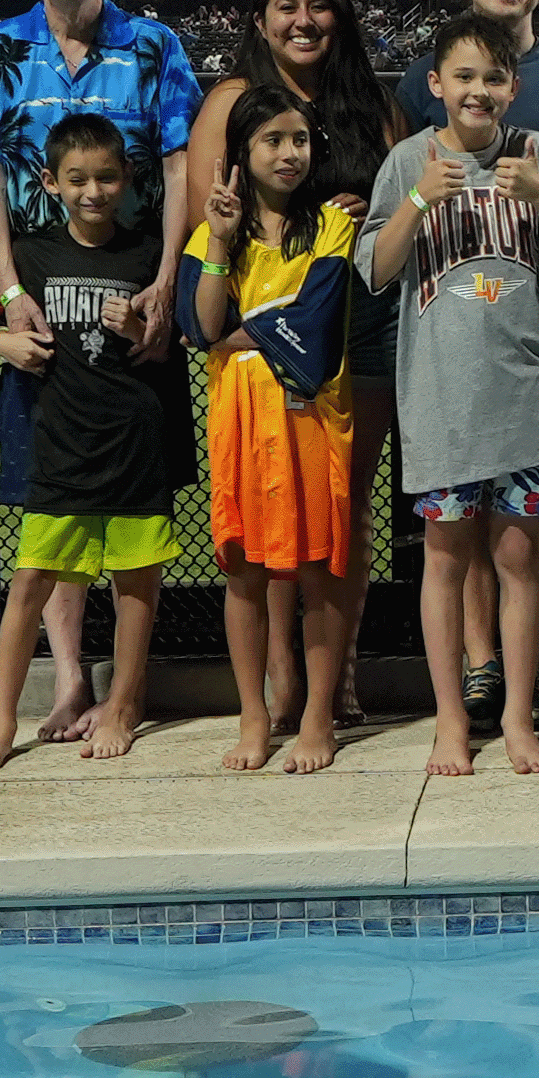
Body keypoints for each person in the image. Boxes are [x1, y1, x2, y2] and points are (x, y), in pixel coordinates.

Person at [0, 0, 200, 743]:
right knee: (47, 494)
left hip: (131, 290)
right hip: (40, 290)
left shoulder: (154, 44)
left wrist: (166, 281)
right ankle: (68, 680)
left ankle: (119, 689)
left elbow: (177, 160)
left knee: (127, 487)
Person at [358, 12, 539, 778]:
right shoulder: (409, 161)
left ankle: (519, 718)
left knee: (521, 557)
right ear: (435, 85)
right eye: (462, 76)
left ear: (513, 87)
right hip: (442, 406)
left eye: (492, 77)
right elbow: (375, 268)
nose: (478, 89)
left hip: (527, 400)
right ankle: (448, 722)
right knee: (444, 558)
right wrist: (417, 202)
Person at [396, 0, 539, 734]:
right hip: (451, 333)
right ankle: (481, 665)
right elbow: (403, 209)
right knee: (461, 534)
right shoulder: (423, 82)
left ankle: (524, 673)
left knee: (531, 528)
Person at [185, 0, 402, 729]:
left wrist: (360, 210)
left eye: (318, 5)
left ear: (339, 17)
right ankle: (279, 669)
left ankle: (334, 670)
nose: (303, 19)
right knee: (269, 511)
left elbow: (396, 208)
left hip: (360, 326)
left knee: (341, 504)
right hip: (256, 330)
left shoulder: (371, 102)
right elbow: (204, 225)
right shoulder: (232, 103)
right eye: (285, 5)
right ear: (260, 20)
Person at [0, 115, 192, 774]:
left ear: (129, 179)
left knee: (137, 585)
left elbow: (173, 341)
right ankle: (3, 724)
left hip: (133, 444)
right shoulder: (29, 255)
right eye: (78, 178)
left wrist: (146, 322)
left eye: (107, 177)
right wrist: (4, 339)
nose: (94, 191)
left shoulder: (149, 256)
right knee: (30, 580)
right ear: (50, 182)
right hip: (60, 449)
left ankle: (122, 703)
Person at [180, 85, 357, 773]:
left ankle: (317, 717)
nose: (289, 155)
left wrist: (240, 332)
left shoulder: (333, 227)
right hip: (240, 422)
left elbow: (315, 326)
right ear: (242, 152)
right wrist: (221, 246)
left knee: (318, 570)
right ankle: (254, 716)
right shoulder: (210, 233)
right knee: (246, 572)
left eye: (300, 141)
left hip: (311, 419)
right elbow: (200, 328)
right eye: (273, 141)